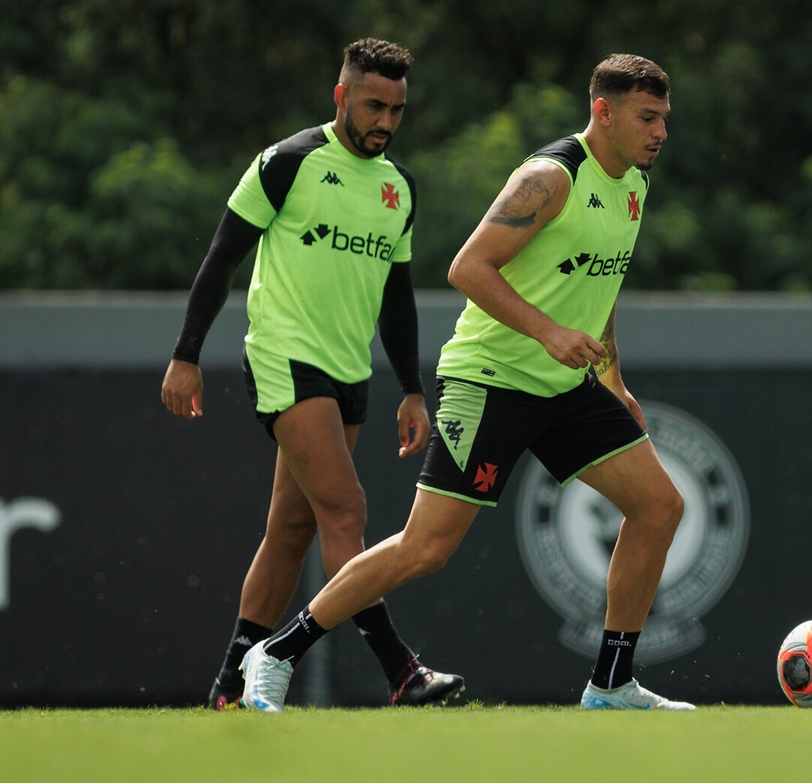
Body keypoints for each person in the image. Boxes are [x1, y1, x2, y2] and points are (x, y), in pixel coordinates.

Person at [239, 52, 694, 712]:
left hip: (566, 387)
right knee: (427, 548)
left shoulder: (635, 185)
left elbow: (602, 282)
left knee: (659, 507)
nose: (659, 132)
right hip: (492, 380)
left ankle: (612, 685)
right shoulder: (550, 177)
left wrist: (612, 376)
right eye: (647, 117)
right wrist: (548, 333)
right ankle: (276, 652)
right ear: (604, 111)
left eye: (664, 119)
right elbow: (467, 267)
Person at [161, 37, 463, 710]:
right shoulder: (288, 162)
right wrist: (186, 353)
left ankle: (231, 684)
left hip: (349, 371)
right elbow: (221, 258)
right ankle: (399, 669)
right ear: (341, 96)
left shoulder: (399, 188)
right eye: (372, 105)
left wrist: (413, 387)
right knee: (348, 508)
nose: (384, 121)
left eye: (397, 110)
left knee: (292, 531)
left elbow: (397, 294)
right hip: (284, 357)